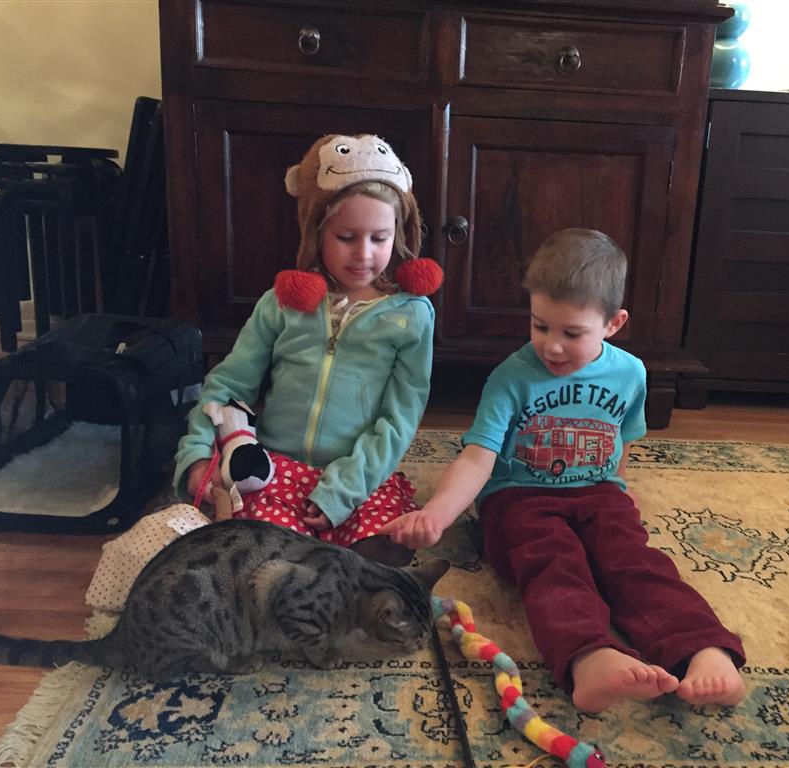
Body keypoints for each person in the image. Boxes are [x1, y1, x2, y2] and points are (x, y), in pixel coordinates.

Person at [381, 228, 746, 711]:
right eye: (540, 326)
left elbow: (622, 441)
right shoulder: (511, 377)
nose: (551, 346)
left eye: (571, 333)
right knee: (554, 563)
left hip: (598, 493)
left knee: (633, 560)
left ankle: (703, 648)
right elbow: (477, 456)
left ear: (613, 323)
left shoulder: (632, 374)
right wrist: (438, 514)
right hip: (518, 500)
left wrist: (616, 492)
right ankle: (588, 657)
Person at [174, 134, 443, 565]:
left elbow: (399, 419)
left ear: (399, 233)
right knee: (255, 548)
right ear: (315, 231)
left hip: (358, 474)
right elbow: (228, 385)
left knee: (385, 545)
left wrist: (344, 489)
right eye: (346, 237)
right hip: (274, 466)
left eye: (379, 238)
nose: (364, 254)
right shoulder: (280, 304)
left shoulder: (412, 316)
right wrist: (197, 454)